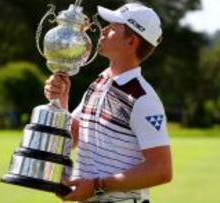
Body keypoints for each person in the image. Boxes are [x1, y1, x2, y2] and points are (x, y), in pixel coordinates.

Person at [44, 2, 172, 203]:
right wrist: (61, 99)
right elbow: (76, 135)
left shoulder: (143, 98)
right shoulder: (100, 82)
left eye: (113, 27)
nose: (103, 30)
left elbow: (161, 170)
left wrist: (97, 185)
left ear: (131, 42)